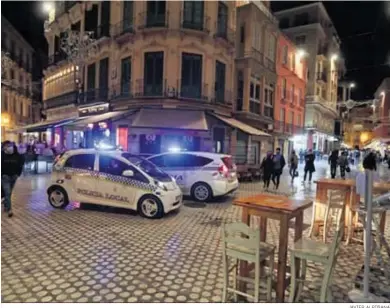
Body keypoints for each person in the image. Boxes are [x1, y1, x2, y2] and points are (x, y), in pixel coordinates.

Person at [1, 141, 25, 217]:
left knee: (9, 193)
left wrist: (18, 174)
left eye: (10, 145)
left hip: (13, 176)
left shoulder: (17, 155)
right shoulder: (2, 155)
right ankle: (9, 210)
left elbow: (21, 164)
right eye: (7, 146)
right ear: (4, 147)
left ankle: (5, 203)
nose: (9, 147)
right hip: (5, 177)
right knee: (7, 192)